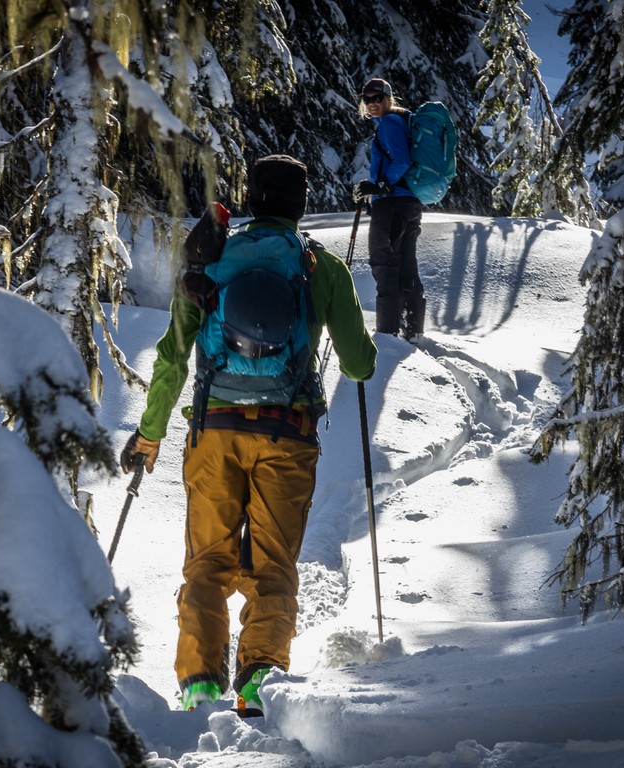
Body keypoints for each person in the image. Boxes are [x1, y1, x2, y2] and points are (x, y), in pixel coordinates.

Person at [120, 154, 377, 713]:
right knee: (272, 565)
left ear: (252, 200)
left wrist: (150, 433)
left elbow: (172, 355)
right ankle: (259, 681)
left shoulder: (211, 259)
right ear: (301, 204)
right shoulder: (322, 266)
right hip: (288, 435)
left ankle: (199, 685)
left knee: (206, 562)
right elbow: (359, 365)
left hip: (214, 433)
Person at [352, 77, 426, 341]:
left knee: (385, 265)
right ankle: (412, 331)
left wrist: (381, 186)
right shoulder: (400, 121)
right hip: (407, 203)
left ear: (388, 98)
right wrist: (376, 188)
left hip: (392, 204)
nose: (372, 103)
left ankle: (387, 335)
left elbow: (401, 161)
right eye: (367, 99)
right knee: (406, 267)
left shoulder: (390, 122)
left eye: (378, 98)